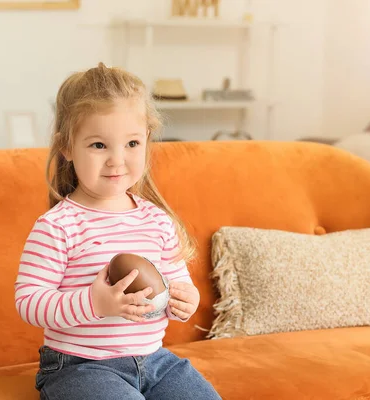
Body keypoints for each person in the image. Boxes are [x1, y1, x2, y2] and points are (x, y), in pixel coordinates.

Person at [14, 62, 221, 400]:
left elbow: (174, 282)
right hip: (79, 366)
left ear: (147, 141)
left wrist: (185, 299)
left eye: (132, 144)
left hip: (155, 362)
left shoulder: (156, 220)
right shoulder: (58, 226)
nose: (116, 160)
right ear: (66, 147)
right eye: (99, 145)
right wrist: (94, 303)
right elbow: (29, 301)